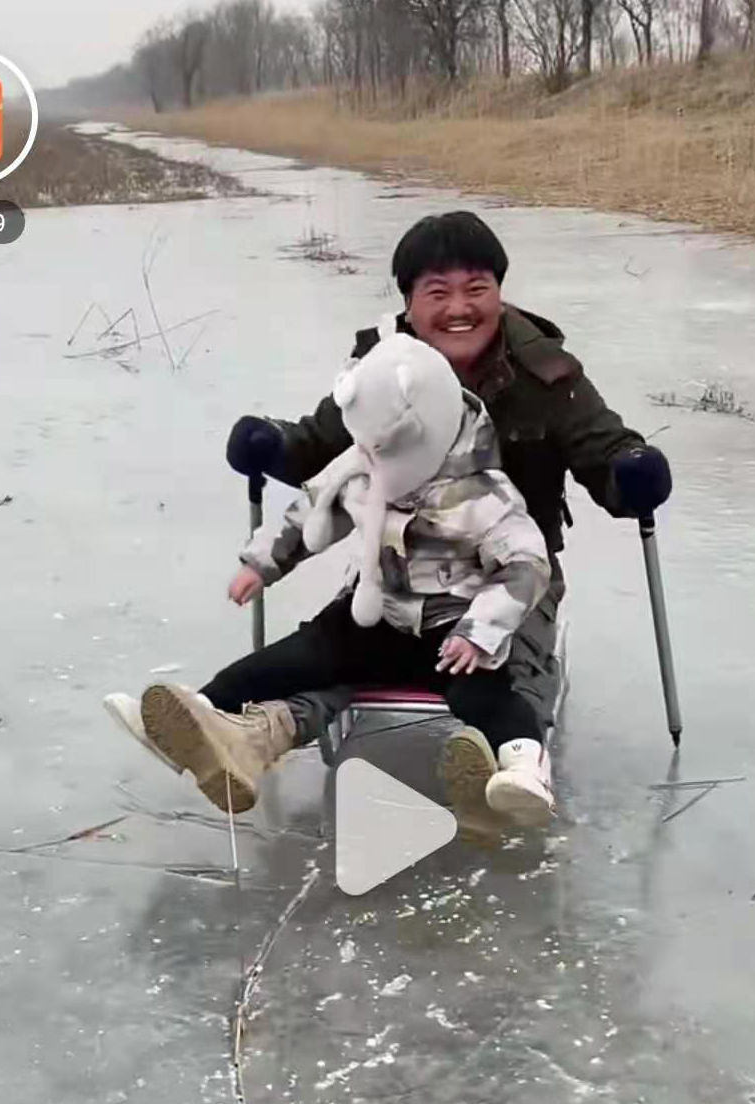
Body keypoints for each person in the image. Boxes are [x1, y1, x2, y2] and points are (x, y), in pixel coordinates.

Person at [219, 212, 671, 763]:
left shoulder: (546, 374)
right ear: (409, 302)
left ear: (499, 292)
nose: (459, 309)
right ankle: (273, 727)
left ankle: (502, 758)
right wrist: (271, 444)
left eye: (476, 289)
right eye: (438, 292)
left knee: (505, 659)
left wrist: (630, 470)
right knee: (340, 648)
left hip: (513, 569)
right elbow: (322, 446)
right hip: (397, 564)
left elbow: (602, 447)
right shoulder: (384, 370)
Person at [108, 324, 558, 825]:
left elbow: (526, 565)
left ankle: (523, 767)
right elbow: (312, 509)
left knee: (487, 696)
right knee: (296, 656)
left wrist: (479, 632)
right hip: (373, 614)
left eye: (379, 452)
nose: (369, 462)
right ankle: (196, 717)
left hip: (450, 630)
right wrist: (262, 562)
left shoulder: (484, 495)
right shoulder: (363, 463)